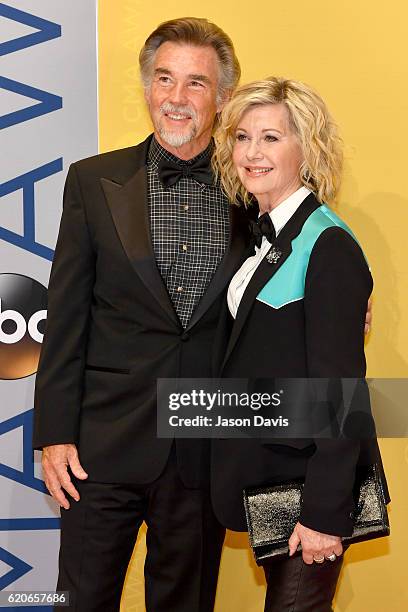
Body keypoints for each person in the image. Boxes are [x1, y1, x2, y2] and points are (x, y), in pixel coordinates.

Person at [32, 17, 249, 612]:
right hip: (99, 448)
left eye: (196, 83)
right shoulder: (94, 181)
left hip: (202, 444)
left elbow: (303, 263)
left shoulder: (253, 190)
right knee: (80, 600)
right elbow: (65, 314)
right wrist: (54, 434)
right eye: (164, 79)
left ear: (224, 96)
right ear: (147, 86)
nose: (177, 99)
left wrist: (347, 295)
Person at [211, 77, 389, 611]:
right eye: (242, 137)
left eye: (271, 138)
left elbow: (341, 392)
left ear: (306, 149)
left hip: (309, 493)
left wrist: (325, 515)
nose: (251, 153)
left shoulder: (327, 243)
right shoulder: (264, 234)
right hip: (268, 481)